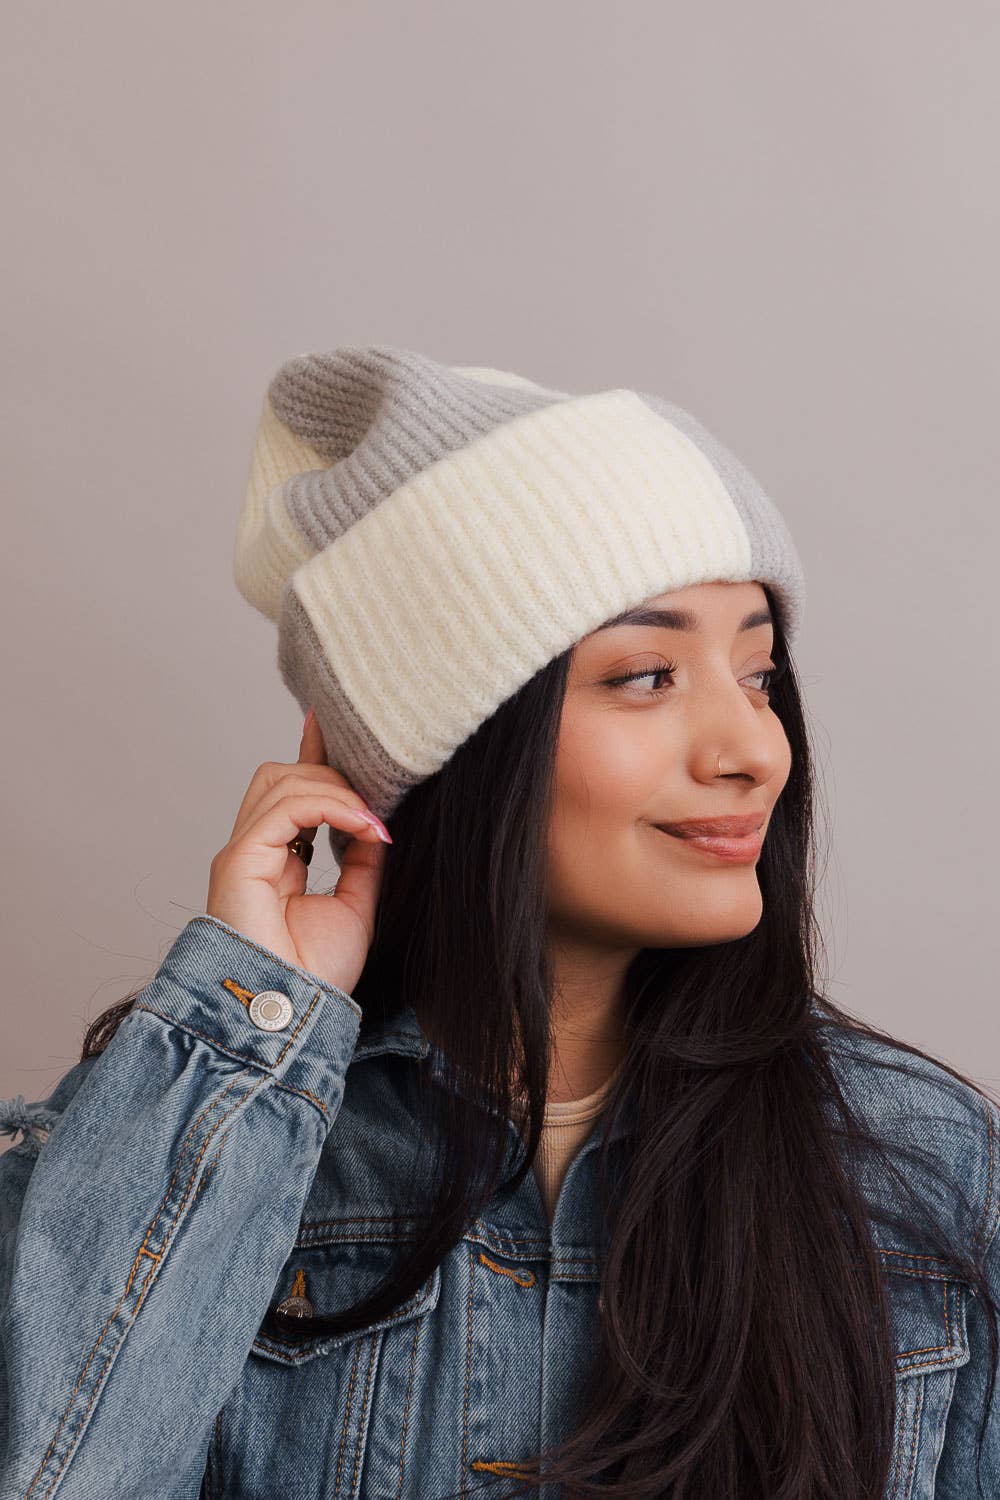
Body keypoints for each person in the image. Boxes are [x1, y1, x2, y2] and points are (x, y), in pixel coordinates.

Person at [1, 346, 997, 1500]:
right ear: (458, 746)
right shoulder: (188, 1137)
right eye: (645, 676)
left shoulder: (922, 1166)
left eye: (759, 674)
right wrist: (247, 1027)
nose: (754, 752)